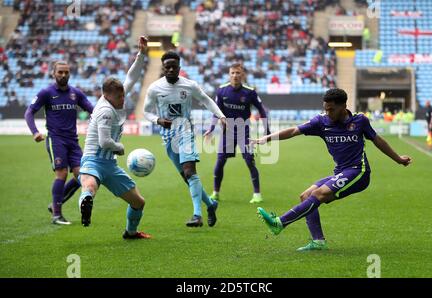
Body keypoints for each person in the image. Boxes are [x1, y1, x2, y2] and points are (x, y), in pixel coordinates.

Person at [251, 88, 412, 251]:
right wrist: (266, 139)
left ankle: (279, 223)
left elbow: (378, 140)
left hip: (359, 172)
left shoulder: (360, 121)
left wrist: (398, 159)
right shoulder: (321, 122)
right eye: (325, 109)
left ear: (343, 106)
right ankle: (318, 241)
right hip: (341, 172)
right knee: (305, 196)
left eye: (331, 109)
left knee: (318, 194)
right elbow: (294, 130)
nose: (327, 112)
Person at [78, 37, 151, 239]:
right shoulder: (105, 111)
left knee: (139, 202)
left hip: (109, 165)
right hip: (93, 158)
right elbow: (105, 142)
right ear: (107, 96)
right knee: (90, 187)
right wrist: (119, 147)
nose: (123, 99)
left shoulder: (115, 96)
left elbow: (132, 77)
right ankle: (85, 206)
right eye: (119, 97)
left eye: (123, 95)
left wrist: (142, 55)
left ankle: (131, 232)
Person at [144, 51, 226, 228]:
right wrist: (157, 120)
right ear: (163, 68)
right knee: (188, 178)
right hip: (168, 136)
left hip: (186, 130)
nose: (171, 69)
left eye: (174, 66)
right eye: (168, 67)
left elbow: (206, 100)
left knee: (190, 172)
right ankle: (211, 205)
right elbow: (146, 111)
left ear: (179, 68)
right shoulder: (154, 88)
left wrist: (221, 116)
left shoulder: (190, 85)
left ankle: (197, 215)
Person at [24, 60, 94, 225]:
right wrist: (35, 132)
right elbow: (29, 112)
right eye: (60, 72)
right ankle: (56, 215)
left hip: (73, 141)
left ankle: (55, 203)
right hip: (56, 140)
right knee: (61, 173)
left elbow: (93, 110)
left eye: (66, 72)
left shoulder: (76, 93)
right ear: (53, 74)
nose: (63, 75)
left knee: (82, 175)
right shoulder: (46, 93)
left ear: (70, 73)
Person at [203, 63, 270, 203]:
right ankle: (216, 193)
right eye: (232, 73)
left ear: (242, 75)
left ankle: (257, 194)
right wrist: (211, 128)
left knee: (249, 161)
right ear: (229, 74)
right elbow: (216, 112)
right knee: (220, 162)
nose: (235, 75)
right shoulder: (222, 91)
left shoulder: (250, 92)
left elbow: (262, 110)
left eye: (238, 73)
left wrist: (267, 129)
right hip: (227, 131)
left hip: (243, 131)